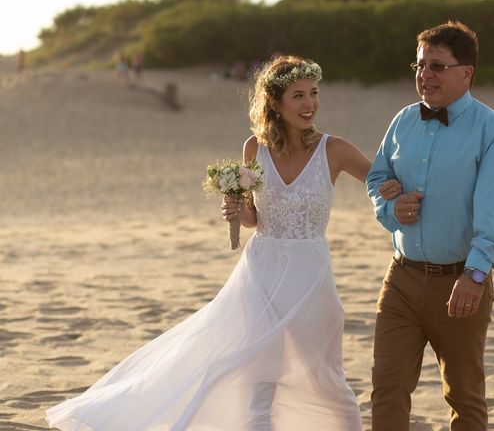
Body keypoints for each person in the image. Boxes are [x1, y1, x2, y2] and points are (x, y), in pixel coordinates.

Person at [46, 55, 401, 430]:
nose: (310, 104)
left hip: (311, 275)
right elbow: (255, 219)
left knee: (326, 376)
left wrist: (401, 193)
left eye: (314, 93)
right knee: (258, 377)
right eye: (298, 95)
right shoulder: (255, 149)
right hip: (261, 274)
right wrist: (235, 211)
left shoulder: (335, 149)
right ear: (275, 103)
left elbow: (380, 182)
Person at [366, 20, 494, 431]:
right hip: (400, 280)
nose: (424, 75)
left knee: (464, 396)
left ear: (466, 72)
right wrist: (390, 208)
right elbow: (377, 179)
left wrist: (475, 274)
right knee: (387, 388)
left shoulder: (493, 131)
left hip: (461, 283)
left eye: (436, 66)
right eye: (419, 66)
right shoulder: (402, 121)